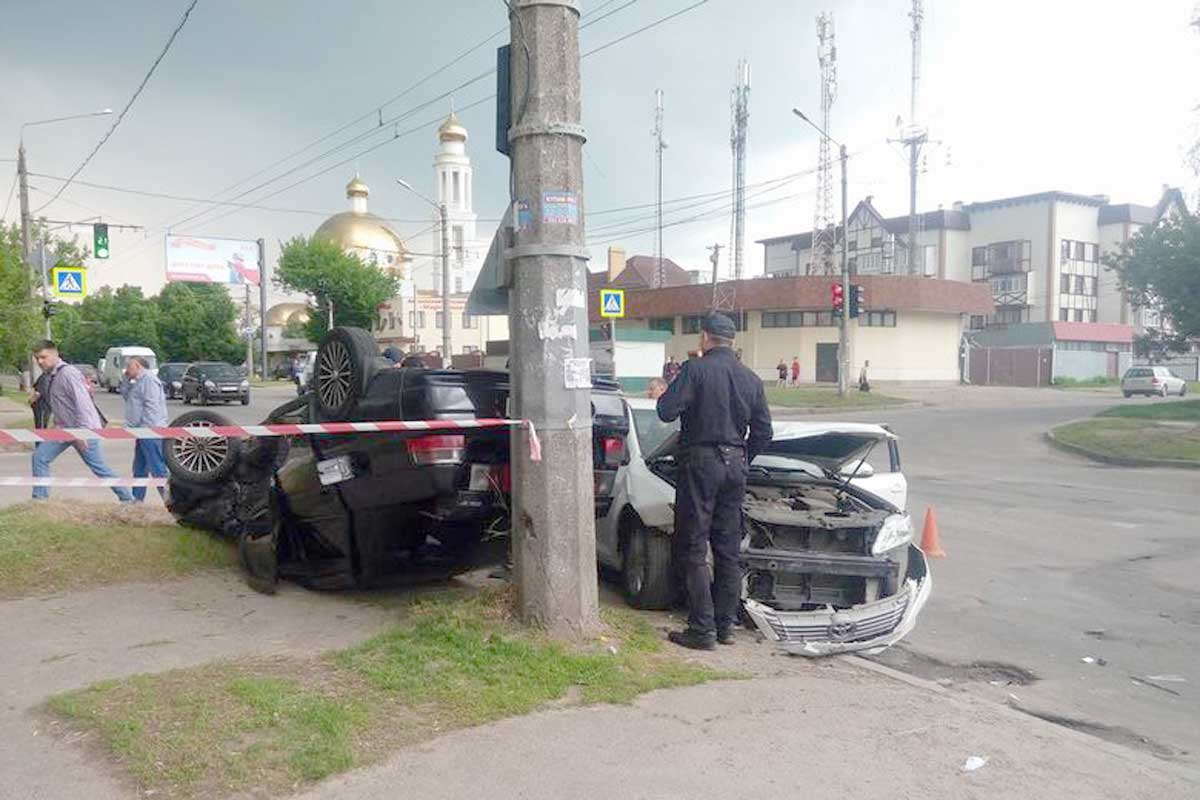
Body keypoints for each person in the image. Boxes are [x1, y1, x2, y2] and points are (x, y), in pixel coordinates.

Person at [656, 312, 772, 650]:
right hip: (736, 465)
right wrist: (742, 456)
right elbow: (764, 431)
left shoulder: (696, 369)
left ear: (705, 338)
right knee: (727, 548)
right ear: (732, 341)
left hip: (701, 463)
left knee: (692, 545)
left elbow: (666, 411)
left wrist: (674, 384)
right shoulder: (751, 378)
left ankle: (702, 628)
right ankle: (725, 626)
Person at [29, 340, 133, 503]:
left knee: (99, 468)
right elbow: (62, 405)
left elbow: (83, 404)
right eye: (37, 358)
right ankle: (40, 500)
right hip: (64, 429)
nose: (40, 362)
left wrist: (82, 432)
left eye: (43, 357)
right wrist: (57, 424)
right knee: (39, 457)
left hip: (84, 430)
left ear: (55, 354)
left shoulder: (68, 373)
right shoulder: (50, 376)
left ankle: (128, 499)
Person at [122, 355, 168, 502]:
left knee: (157, 469)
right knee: (140, 468)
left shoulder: (149, 380)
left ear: (138, 366)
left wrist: (147, 429)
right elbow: (128, 398)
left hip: (150, 431)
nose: (127, 369)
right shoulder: (138, 382)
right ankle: (137, 501)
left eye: (129, 366)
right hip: (142, 431)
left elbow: (152, 407)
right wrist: (126, 381)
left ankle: (172, 501)